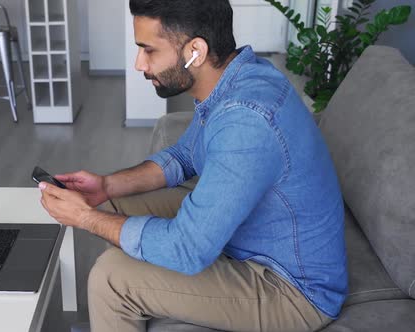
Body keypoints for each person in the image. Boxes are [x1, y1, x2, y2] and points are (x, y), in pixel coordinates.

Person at [38, 0, 347, 331]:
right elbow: (184, 156)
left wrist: (86, 219)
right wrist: (106, 186)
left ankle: (120, 302)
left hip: (291, 289)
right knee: (109, 204)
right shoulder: (237, 76)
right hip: (249, 234)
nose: (139, 63)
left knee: (110, 278)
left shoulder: (246, 120)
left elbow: (187, 249)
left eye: (149, 50)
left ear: (195, 51)